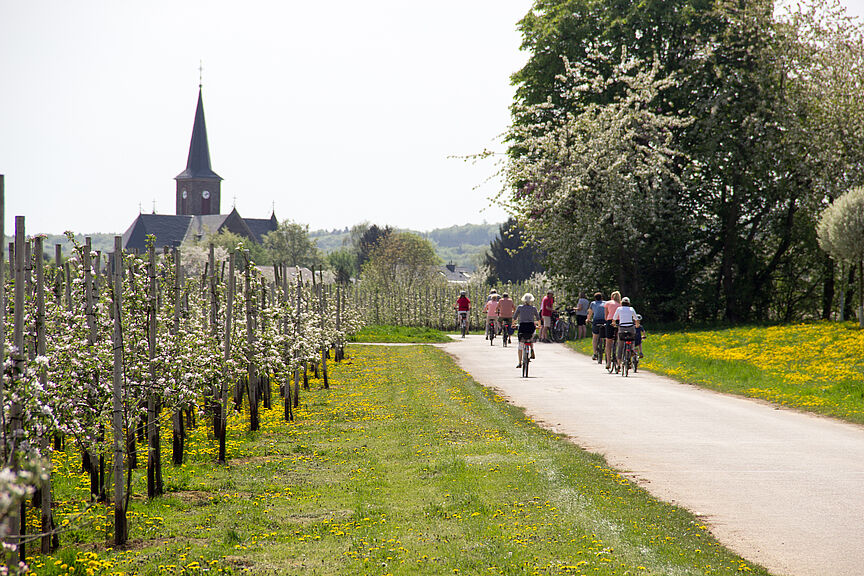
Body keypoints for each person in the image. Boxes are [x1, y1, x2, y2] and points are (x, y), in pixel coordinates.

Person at [515, 293, 540, 368]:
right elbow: (538, 318)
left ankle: (519, 363)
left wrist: (513, 324)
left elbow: (514, 317)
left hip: (522, 327)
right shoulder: (534, 308)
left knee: (520, 345)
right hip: (531, 327)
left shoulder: (520, 307)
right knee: (531, 338)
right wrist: (539, 325)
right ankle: (532, 349)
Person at [612, 296, 639, 362]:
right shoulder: (631, 309)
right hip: (630, 327)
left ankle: (618, 363)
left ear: (621, 303)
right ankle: (632, 349)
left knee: (620, 345)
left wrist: (614, 324)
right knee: (632, 339)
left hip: (622, 327)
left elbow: (614, 318)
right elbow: (636, 319)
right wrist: (637, 325)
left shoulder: (619, 309)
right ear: (629, 303)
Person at [604, 291, 622, 370]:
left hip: (610, 321)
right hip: (619, 322)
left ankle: (608, 361)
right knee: (619, 341)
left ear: (612, 297)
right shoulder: (621, 304)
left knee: (608, 342)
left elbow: (606, 316)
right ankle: (619, 362)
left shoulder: (608, 303)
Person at [587, 292, 606, 360]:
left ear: (595, 298)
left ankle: (595, 353)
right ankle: (605, 348)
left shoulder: (593, 303)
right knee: (605, 336)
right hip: (604, 320)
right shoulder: (605, 303)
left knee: (595, 337)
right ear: (602, 298)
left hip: (596, 321)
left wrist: (588, 319)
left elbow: (590, 313)